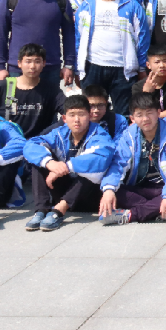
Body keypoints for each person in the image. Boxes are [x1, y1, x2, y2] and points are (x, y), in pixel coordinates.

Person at [22, 95, 117, 231]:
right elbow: (31, 145)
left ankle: (58, 211)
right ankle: (41, 210)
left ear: (90, 115)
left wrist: (66, 167)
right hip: (63, 190)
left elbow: (100, 158)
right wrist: (50, 163)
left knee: (92, 168)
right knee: (39, 160)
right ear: (64, 118)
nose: (76, 120)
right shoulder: (59, 133)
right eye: (72, 115)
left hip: (89, 195)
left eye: (81, 114)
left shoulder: (100, 135)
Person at [98, 92, 166, 224]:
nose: (145, 119)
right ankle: (161, 210)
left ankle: (130, 215)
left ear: (158, 112)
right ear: (132, 118)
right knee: (113, 191)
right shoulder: (129, 135)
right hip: (140, 187)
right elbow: (118, 163)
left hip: (164, 186)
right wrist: (109, 190)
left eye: (149, 113)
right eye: (139, 115)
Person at [75, 0, 151, 117]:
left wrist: (142, 68)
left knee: (123, 114)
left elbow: (143, 38)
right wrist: (77, 68)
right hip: (92, 67)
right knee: (92, 113)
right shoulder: (86, 5)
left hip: (123, 70)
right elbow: (78, 37)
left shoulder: (132, 5)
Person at [0, 43, 66, 139]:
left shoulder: (51, 89)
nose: (32, 66)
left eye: (37, 61)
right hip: (9, 141)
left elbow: (69, 110)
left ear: (44, 63)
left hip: (38, 142)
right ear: (19, 63)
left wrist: (54, 130)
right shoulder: (5, 85)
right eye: (28, 61)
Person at [132, 44, 166, 116]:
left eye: (165, 61)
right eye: (157, 62)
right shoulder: (137, 87)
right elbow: (142, 114)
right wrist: (146, 93)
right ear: (148, 65)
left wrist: (156, 116)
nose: (162, 65)